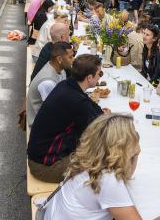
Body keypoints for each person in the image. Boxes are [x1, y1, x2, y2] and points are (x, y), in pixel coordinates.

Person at [44, 113, 160, 220]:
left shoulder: (90, 158)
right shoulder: (107, 179)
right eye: (133, 135)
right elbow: (128, 175)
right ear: (119, 148)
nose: (136, 137)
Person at [27, 54, 106, 183]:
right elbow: (98, 129)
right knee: (103, 159)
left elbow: (90, 106)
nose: (100, 77)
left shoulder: (67, 85)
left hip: (37, 157)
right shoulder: (76, 101)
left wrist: (100, 114)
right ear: (89, 77)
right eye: (100, 73)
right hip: (46, 168)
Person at [27, 42, 74, 128]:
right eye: (70, 57)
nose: (73, 59)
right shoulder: (48, 82)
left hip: (50, 116)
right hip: (39, 125)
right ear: (59, 59)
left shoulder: (59, 68)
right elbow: (54, 111)